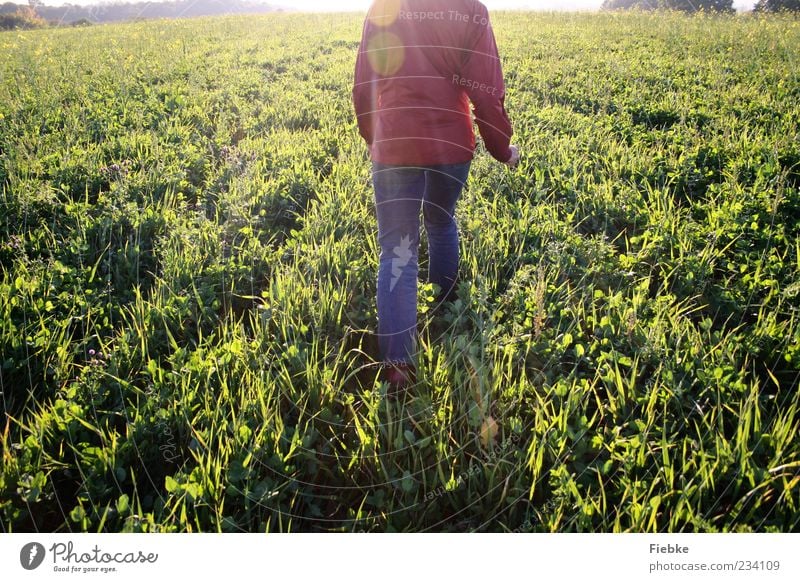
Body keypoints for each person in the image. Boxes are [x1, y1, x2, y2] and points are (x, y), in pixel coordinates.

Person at [353, 0, 519, 390]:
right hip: (452, 147)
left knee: (398, 248)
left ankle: (398, 368)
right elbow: (487, 91)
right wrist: (502, 149)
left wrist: (375, 139)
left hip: (396, 145)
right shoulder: (470, 10)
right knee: (441, 219)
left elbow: (364, 85)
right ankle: (446, 307)